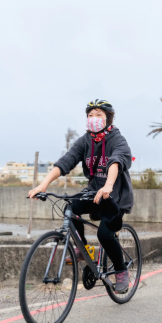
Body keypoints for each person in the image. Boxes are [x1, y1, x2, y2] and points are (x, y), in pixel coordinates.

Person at [28, 100, 134, 293]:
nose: (94, 119)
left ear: (108, 118)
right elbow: (67, 160)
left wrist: (108, 185)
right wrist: (43, 185)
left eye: (99, 115)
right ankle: (82, 249)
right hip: (93, 192)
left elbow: (116, 161)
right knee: (71, 206)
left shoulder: (117, 139)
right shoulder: (85, 140)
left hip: (115, 195)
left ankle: (120, 271)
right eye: (90, 115)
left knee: (104, 234)